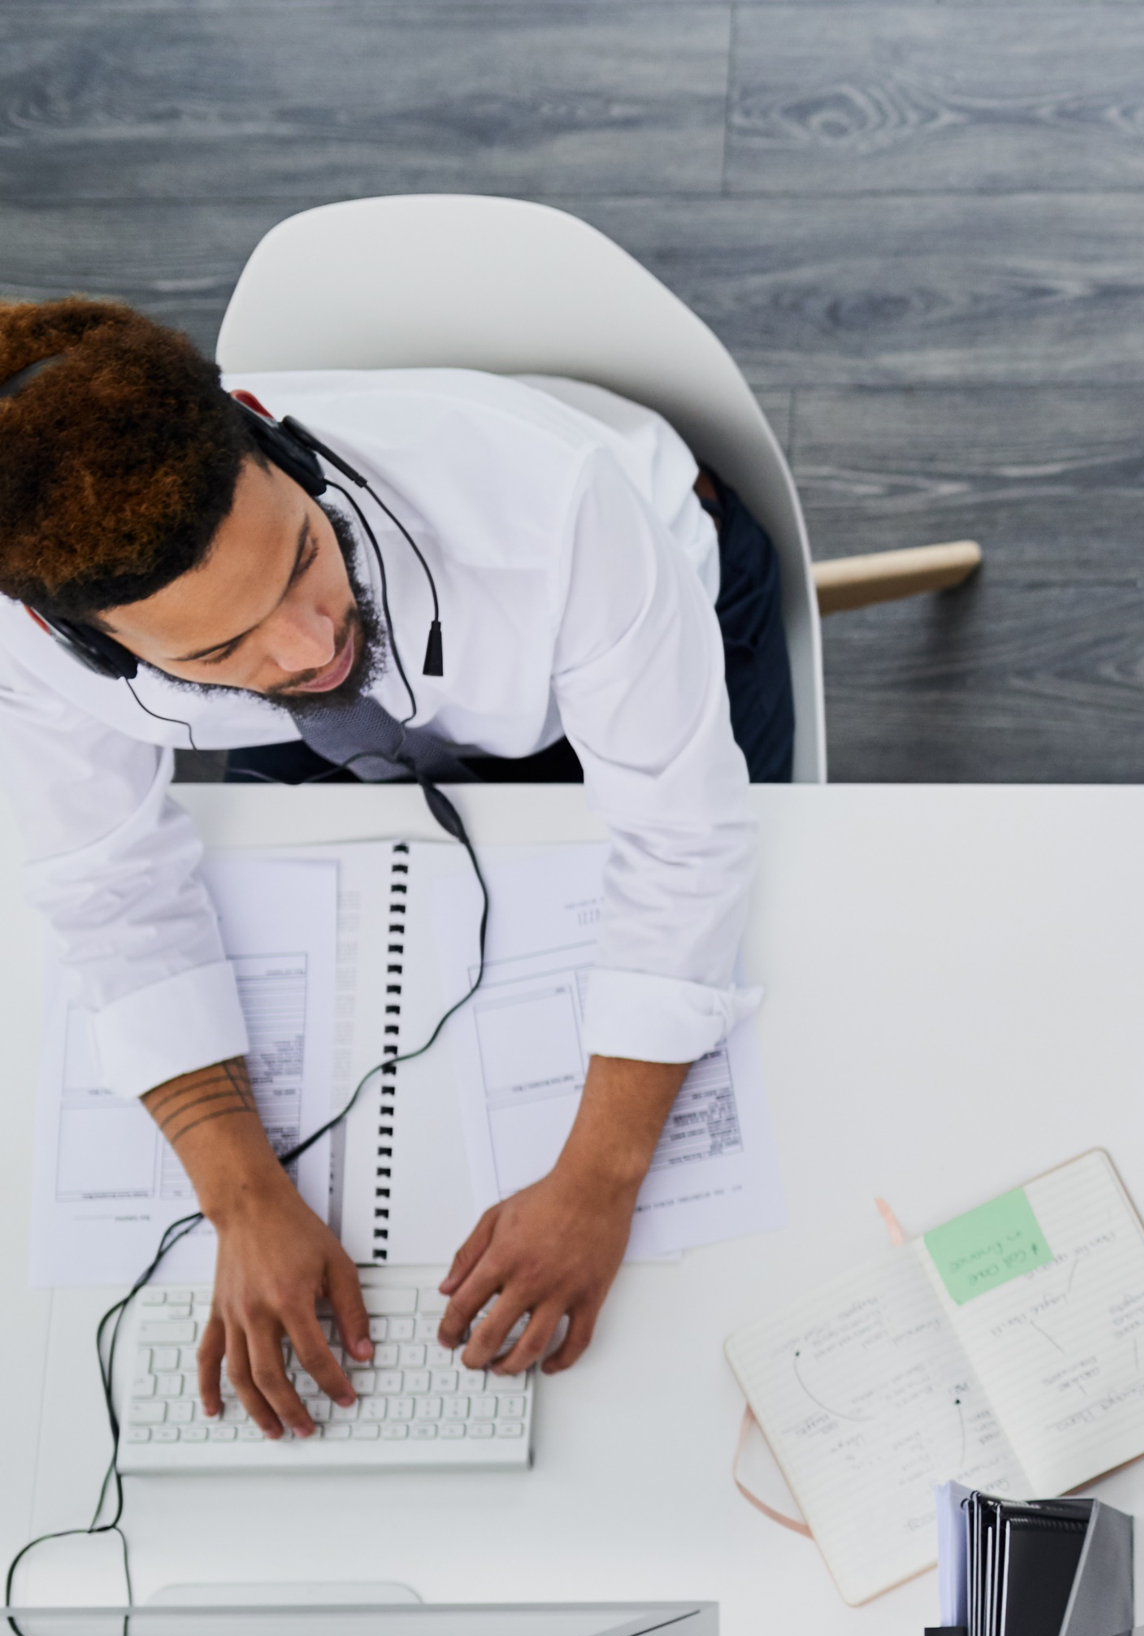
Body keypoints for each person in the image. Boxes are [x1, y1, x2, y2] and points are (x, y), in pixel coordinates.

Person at [0, 299, 783, 1434]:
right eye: (220, 648)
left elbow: (683, 838)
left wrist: (599, 1181)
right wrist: (241, 1195)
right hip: (332, 739)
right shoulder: (27, 638)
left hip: (636, 620)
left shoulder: (555, 502)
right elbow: (107, 888)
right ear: (77, 639)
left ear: (273, 440)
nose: (311, 645)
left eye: (302, 558)